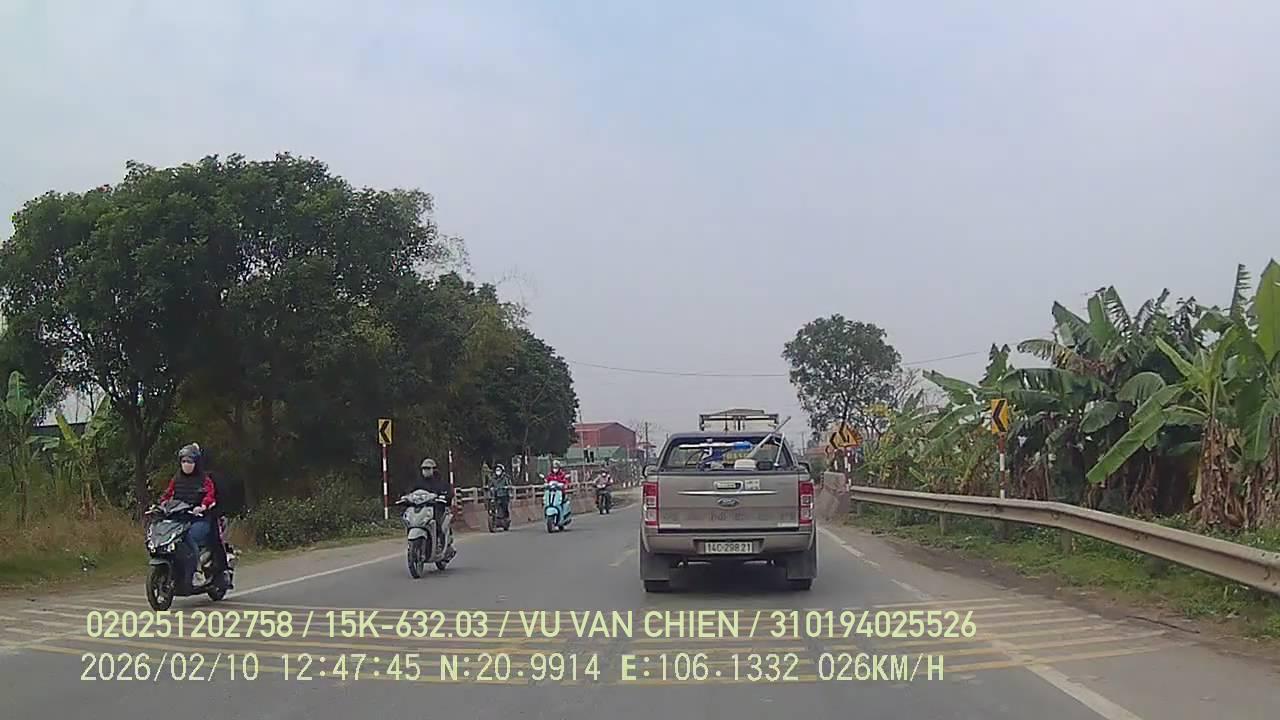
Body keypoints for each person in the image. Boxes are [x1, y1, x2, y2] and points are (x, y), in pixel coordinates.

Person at [157, 443, 217, 583]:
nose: (186, 464)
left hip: (200, 519)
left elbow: (210, 495)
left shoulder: (204, 480)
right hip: (180, 518)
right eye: (184, 461)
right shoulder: (177, 479)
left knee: (188, 538)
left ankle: (197, 570)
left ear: (196, 463)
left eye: (190, 461)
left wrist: (202, 506)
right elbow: (168, 494)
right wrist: (162, 504)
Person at [415, 458, 454, 551]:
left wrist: (444, 497)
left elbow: (449, 492)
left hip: (437, 508)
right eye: (424, 468)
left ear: (434, 469)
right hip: (422, 509)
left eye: (428, 468)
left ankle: (439, 542)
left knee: (436, 522)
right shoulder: (419, 482)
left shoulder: (440, 482)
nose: (425, 471)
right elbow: (412, 492)